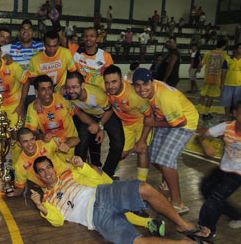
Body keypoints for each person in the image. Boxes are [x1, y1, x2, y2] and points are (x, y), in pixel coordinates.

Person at [30, 156, 216, 244]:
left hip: (102, 194)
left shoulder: (70, 175)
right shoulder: (48, 200)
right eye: (41, 171)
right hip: (97, 219)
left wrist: (83, 166)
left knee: (145, 188)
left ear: (53, 168)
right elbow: (57, 220)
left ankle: (182, 223)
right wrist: (41, 206)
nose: (46, 173)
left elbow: (100, 180)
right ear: (39, 176)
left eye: (48, 167)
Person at [133, 68, 199, 214]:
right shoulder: (148, 92)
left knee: (165, 161)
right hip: (166, 119)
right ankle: (169, 180)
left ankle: (178, 203)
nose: (141, 89)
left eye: (145, 84)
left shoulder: (165, 96)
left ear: (152, 82)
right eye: (137, 85)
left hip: (185, 123)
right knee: (156, 158)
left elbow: (180, 123)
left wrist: (153, 124)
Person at [65, 71, 123, 178]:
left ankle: (106, 175)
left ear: (82, 85)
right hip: (88, 114)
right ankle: (80, 174)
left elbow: (109, 111)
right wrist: (94, 125)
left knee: (118, 144)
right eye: (68, 87)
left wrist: (100, 126)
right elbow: (79, 113)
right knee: (81, 141)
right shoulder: (66, 94)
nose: (71, 91)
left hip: (105, 113)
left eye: (74, 87)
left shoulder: (97, 95)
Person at [197, 100, 241, 233]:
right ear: (235, 113)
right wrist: (206, 145)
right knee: (205, 189)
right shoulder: (227, 126)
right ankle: (237, 216)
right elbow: (201, 136)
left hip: (238, 173)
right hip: (224, 168)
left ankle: (205, 229)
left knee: (215, 197)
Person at [103, 65, 152, 181]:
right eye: (107, 82)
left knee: (142, 150)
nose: (110, 86)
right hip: (126, 123)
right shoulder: (104, 86)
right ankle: (109, 173)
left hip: (142, 122)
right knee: (121, 153)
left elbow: (149, 117)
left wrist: (142, 140)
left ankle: (141, 183)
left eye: (114, 82)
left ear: (121, 79)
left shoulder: (135, 95)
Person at [26, 75, 80, 161]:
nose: (47, 92)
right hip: (50, 144)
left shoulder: (62, 98)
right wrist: (42, 136)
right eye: (43, 89)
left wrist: (96, 125)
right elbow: (32, 131)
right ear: (36, 92)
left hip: (70, 142)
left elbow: (78, 113)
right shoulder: (33, 107)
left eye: (49, 88)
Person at [8, 127, 70, 197]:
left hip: (69, 176)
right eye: (25, 141)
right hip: (54, 191)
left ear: (35, 138)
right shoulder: (20, 165)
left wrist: (67, 145)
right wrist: (13, 192)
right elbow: (20, 188)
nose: (30, 144)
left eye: (32, 139)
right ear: (19, 143)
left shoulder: (46, 143)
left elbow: (75, 139)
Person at [197, 39, 228, 119]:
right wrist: (222, 83)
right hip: (216, 79)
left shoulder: (208, 53)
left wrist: (198, 70)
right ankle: (206, 113)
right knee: (211, 97)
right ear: (224, 46)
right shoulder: (224, 55)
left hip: (207, 78)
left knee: (203, 95)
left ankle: (197, 111)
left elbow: (201, 64)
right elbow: (225, 70)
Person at [220, 43, 241, 119]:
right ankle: (226, 116)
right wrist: (222, 83)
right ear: (235, 50)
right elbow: (224, 72)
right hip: (228, 84)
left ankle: (236, 117)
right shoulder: (228, 59)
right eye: (240, 48)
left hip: (239, 85)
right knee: (227, 101)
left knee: (237, 103)